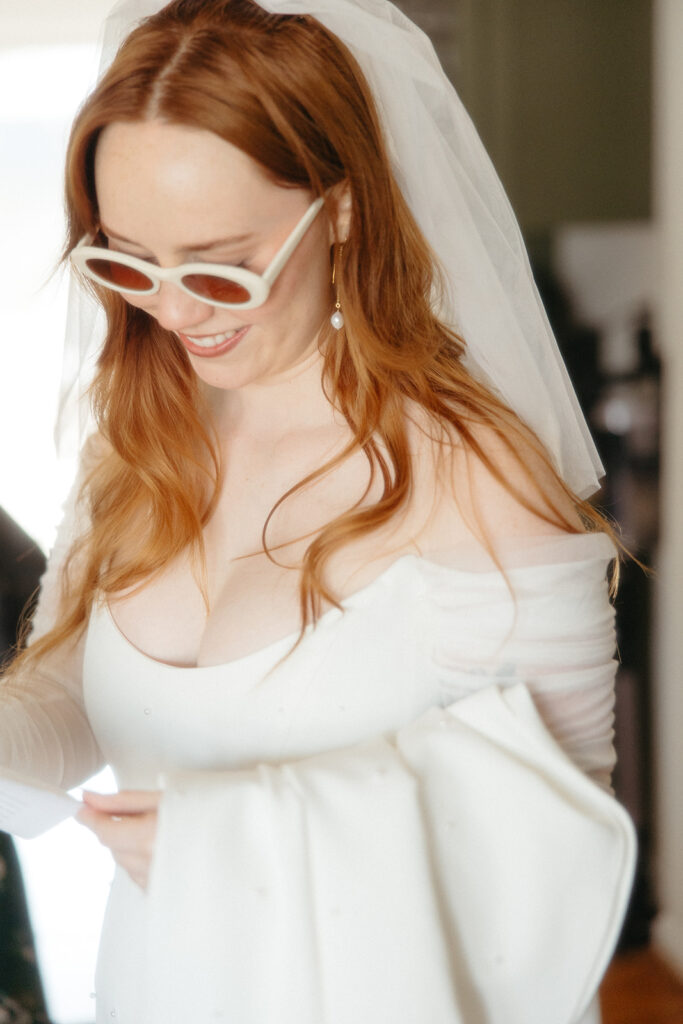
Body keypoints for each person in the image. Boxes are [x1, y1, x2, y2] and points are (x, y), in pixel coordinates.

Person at [0, 1, 634, 1022]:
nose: (174, 311)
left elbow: (567, 832)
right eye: (127, 261)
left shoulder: (474, 473)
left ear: (338, 208)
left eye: (220, 265)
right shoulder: (136, 449)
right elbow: (72, 702)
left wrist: (231, 846)